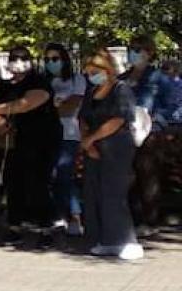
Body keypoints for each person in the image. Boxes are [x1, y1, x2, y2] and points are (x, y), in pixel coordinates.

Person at [0, 44, 58, 245]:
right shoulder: (2, 86)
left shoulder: (40, 81)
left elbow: (28, 103)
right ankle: (14, 226)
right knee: (13, 184)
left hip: (40, 141)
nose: (18, 62)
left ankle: (45, 229)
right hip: (12, 144)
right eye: (14, 58)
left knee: (39, 184)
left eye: (23, 57)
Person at [79, 49, 142, 261]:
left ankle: (126, 240)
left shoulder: (120, 90)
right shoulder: (91, 91)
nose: (91, 75)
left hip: (117, 146)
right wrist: (88, 142)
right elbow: (83, 118)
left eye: (95, 71)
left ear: (107, 69)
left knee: (114, 193)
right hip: (94, 149)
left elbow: (118, 120)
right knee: (94, 192)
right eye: (88, 72)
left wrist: (92, 138)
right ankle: (104, 240)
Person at [122, 35, 174, 230]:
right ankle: (132, 219)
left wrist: (155, 120)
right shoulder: (123, 78)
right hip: (125, 132)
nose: (133, 53)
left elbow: (173, 105)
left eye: (138, 49)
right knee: (129, 176)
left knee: (148, 176)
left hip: (150, 134)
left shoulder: (159, 77)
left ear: (149, 53)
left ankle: (149, 221)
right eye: (131, 48)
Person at [42, 42, 87, 236]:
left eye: (55, 59)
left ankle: (75, 216)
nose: (51, 63)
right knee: (50, 176)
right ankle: (59, 216)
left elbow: (72, 106)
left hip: (69, 134)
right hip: (48, 134)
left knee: (64, 175)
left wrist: (51, 109)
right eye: (48, 59)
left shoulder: (77, 80)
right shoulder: (45, 82)